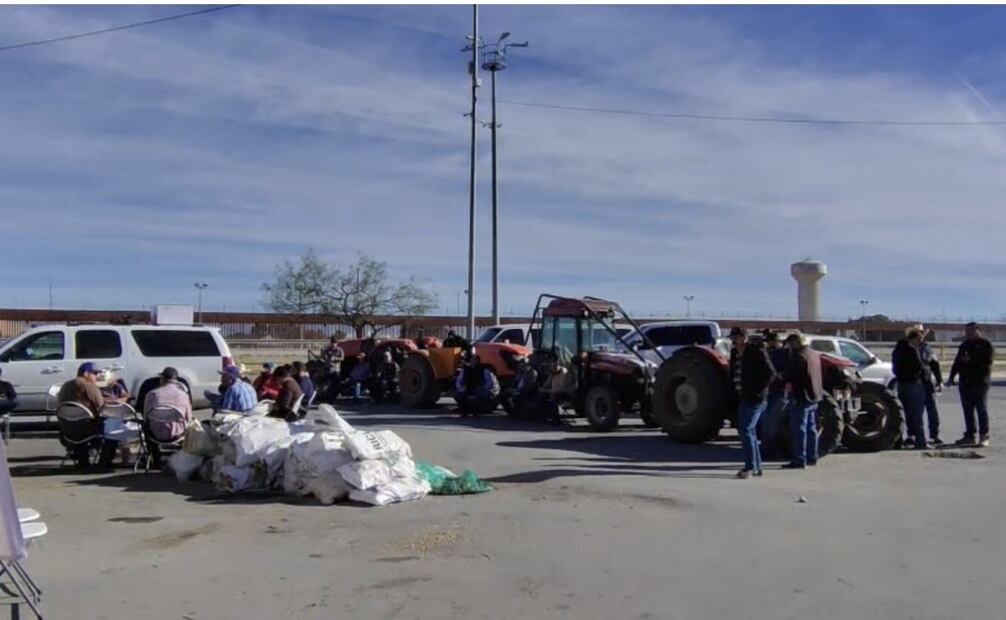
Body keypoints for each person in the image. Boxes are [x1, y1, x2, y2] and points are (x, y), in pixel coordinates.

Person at [728, 328, 776, 479]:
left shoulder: (756, 351)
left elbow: (771, 373)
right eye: (732, 338)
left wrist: (759, 390)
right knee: (750, 432)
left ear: (744, 338)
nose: (734, 341)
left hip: (756, 398)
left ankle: (750, 467)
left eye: (736, 338)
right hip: (743, 396)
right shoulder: (735, 353)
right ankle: (756, 467)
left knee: (746, 430)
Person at [58, 362, 116, 468]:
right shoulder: (90, 387)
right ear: (86, 373)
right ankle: (105, 460)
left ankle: (81, 457)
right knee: (114, 423)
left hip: (67, 430)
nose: (97, 377)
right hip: (87, 429)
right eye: (94, 374)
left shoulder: (65, 386)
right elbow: (101, 408)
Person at [948, 322, 995, 447]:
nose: (968, 334)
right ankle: (969, 435)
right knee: (968, 410)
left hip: (980, 382)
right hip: (965, 381)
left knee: (981, 409)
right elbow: (957, 362)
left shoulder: (986, 345)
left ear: (978, 330)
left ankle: (984, 435)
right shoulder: (964, 345)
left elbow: (988, 362)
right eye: (967, 332)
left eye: (971, 331)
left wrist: (971, 360)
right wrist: (951, 377)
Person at [782, 334, 822, 469]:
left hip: (801, 396)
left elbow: (792, 375)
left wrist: (783, 378)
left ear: (794, 343)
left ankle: (799, 459)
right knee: (811, 428)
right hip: (814, 395)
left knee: (799, 428)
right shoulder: (813, 354)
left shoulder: (798, 356)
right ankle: (812, 456)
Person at [142, 367, 194, 468]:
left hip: (155, 434)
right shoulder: (184, 395)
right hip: (177, 433)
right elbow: (189, 418)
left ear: (162, 379)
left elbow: (145, 417)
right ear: (176, 381)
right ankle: (181, 457)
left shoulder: (152, 394)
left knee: (145, 426)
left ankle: (155, 459)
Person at [907, 324, 944, 445]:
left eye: (921, 332)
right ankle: (912, 435)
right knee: (914, 412)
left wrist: (939, 381)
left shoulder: (928, 348)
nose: (920, 335)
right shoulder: (908, 348)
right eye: (917, 332)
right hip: (914, 383)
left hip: (927, 383)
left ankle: (934, 435)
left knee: (932, 410)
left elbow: (935, 365)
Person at [892, 331, 928, 450]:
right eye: (918, 339)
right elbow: (918, 366)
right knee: (916, 413)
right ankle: (920, 441)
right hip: (914, 383)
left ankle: (899, 441)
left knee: (903, 413)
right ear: (912, 339)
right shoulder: (912, 350)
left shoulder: (897, 350)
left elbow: (895, 368)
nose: (920, 342)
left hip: (902, 383)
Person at [759, 330, 791, 459]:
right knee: (770, 423)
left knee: (771, 424)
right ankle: (771, 450)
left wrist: (779, 376)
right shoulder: (771, 353)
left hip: (780, 392)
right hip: (772, 391)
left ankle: (769, 451)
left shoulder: (785, 354)